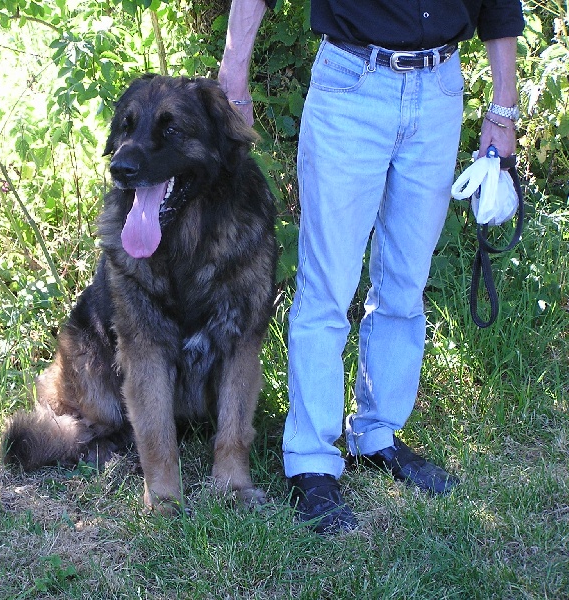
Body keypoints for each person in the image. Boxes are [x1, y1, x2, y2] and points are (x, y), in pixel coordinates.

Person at [219, 0, 525, 533]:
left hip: (439, 89)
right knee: (327, 285)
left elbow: (499, 4)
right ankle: (312, 459)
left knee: (406, 282)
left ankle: (377, 434)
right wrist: (233, 77)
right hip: (350, 84)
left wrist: (504, 108)